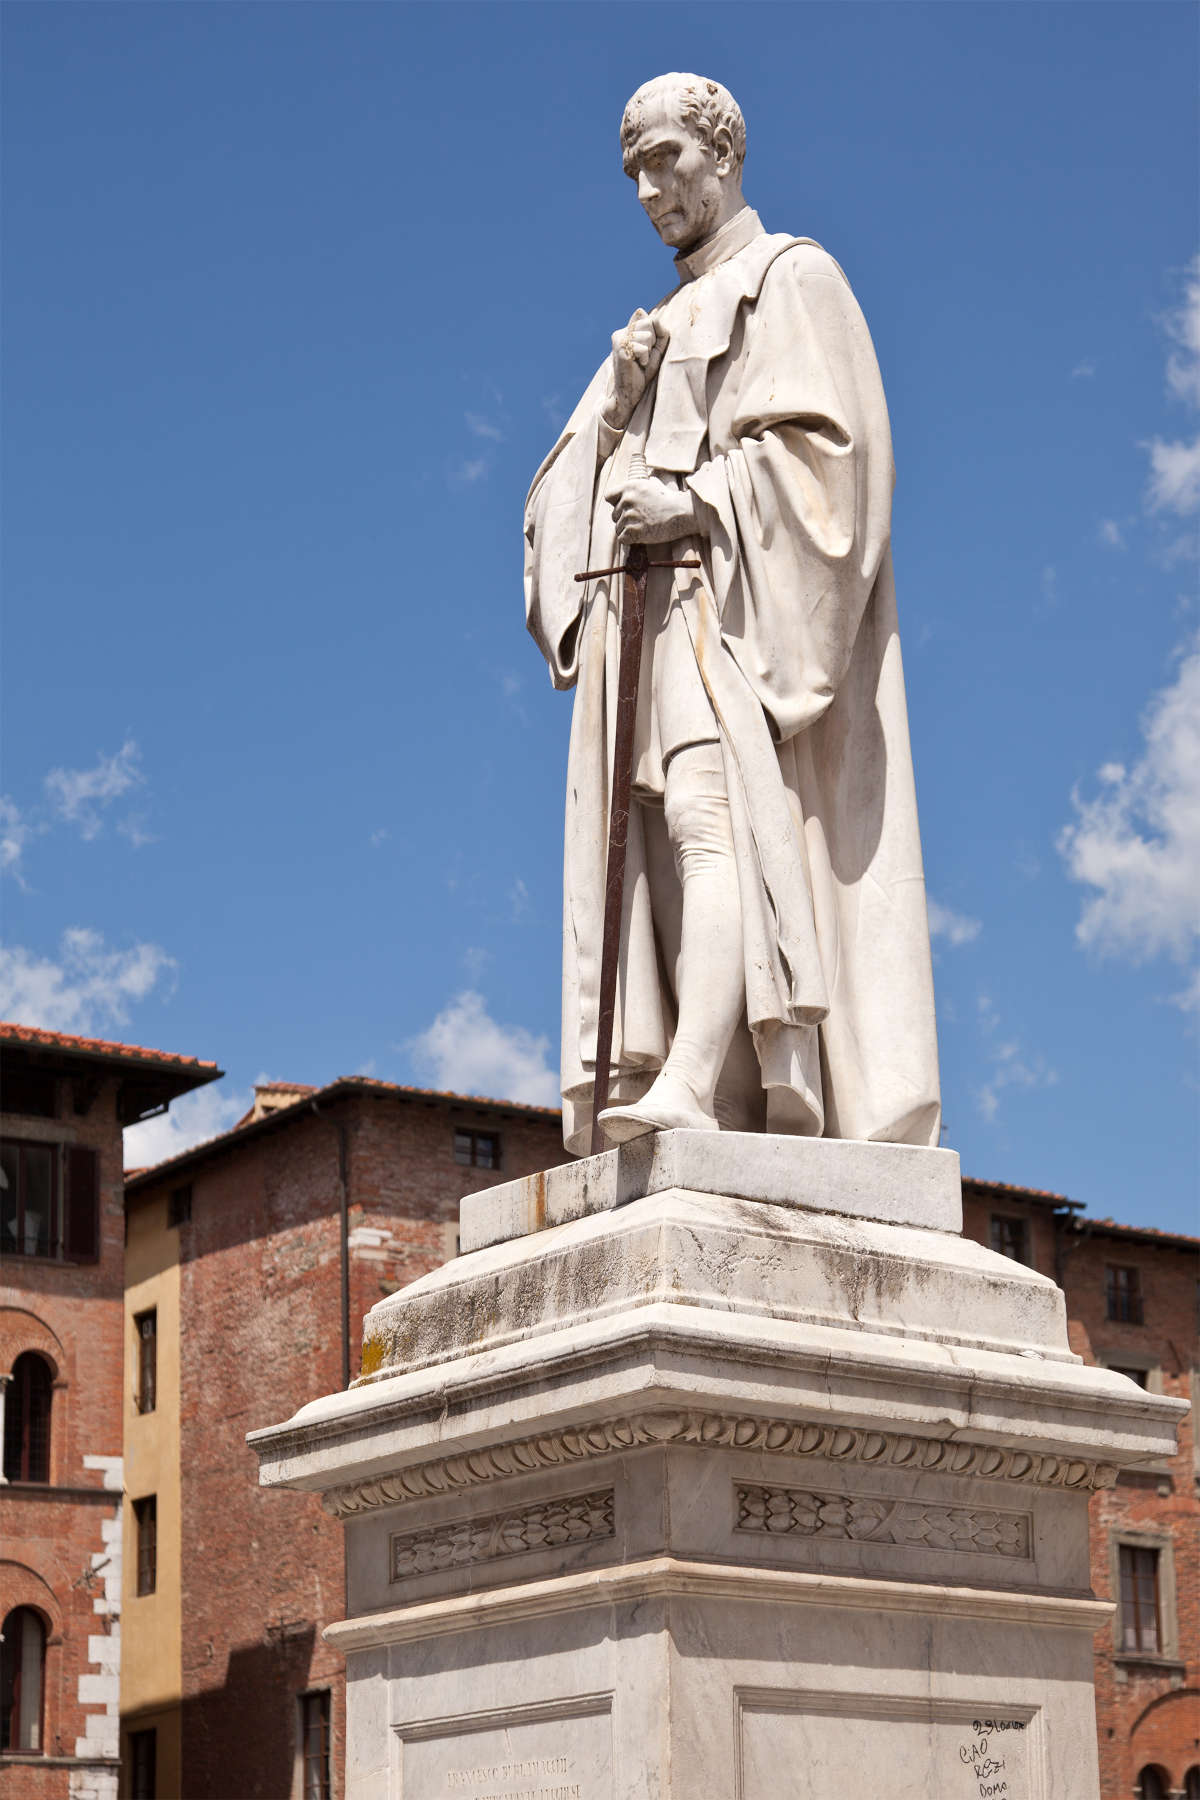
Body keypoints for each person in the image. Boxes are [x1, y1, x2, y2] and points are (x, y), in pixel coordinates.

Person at [524, 73, 941, 1157]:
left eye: (667, 158)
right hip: (649, 620)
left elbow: (833, 467)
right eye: (634, 173)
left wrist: (698, 500)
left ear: (725, 152)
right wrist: (616, 408)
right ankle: (694, 1078)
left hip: (732, 609)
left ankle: (695, 1082)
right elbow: (558, 511)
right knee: (667, 841)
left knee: (711, 822)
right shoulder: (651, 326)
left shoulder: (791, 278)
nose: (651, 188)